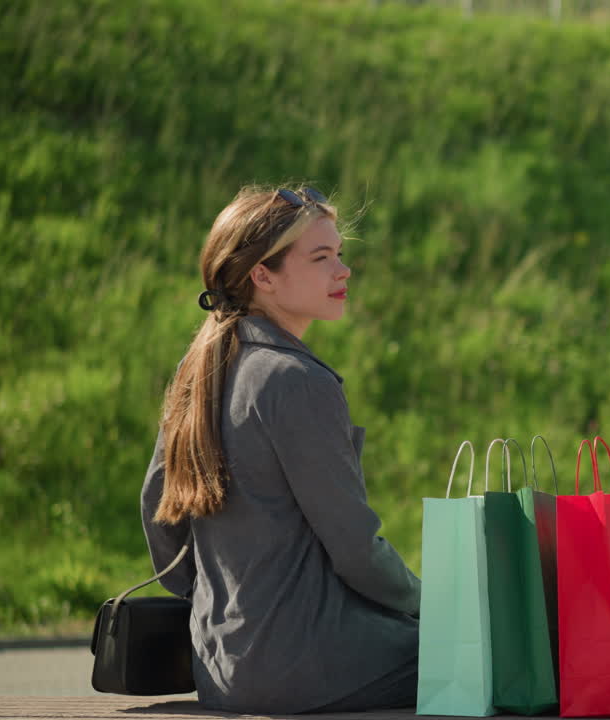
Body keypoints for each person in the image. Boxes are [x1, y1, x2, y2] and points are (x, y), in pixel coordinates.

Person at [140, 185, 421, 714]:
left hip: (221, 667)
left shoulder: (198, 368)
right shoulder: (297, 382)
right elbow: (356, 549)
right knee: (490, 653)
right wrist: (429, 606)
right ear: (262, 276)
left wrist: (221, 608)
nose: (344, 271)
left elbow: (159, 515)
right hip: (307, 666)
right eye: (321, 257)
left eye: (339, 254)